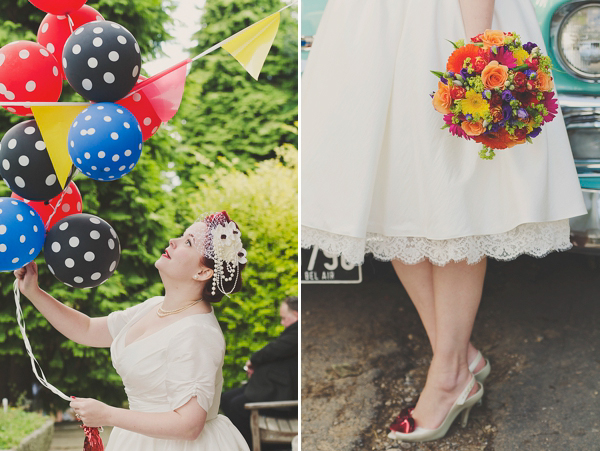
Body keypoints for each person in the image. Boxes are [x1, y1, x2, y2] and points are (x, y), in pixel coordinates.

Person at [301, 0, 586, 443]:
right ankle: (456, 359)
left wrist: (480, 45)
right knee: (389, 198)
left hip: (436, 23)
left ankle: (450, 371)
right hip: (366, 32)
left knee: (454, 199)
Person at [14, 211, 251, 450]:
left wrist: (107, 415)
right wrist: (33, 291)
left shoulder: (198, 333)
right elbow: (87, 329)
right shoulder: (155, 306)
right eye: (181, 236)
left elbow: (189, 426)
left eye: (188, 242)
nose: (173, 241)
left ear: (203, 272)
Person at [220, 296, 298, 446]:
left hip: (286, 397)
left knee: (236, 406)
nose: (282, 323)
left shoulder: (298, 332)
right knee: (227, 399)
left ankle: (251, 446)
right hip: (276, 389)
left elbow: (276, 349)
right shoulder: (293, 333)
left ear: (296, 315)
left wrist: (253, 360)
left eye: (283, 318)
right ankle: (242, 445)